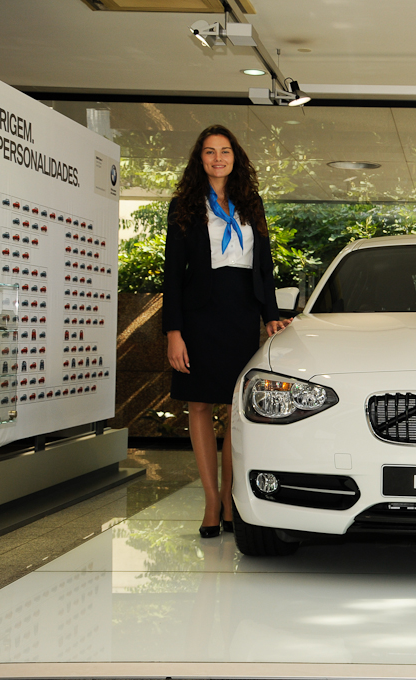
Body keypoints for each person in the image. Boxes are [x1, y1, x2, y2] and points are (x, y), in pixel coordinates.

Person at [163, 125, 289, 538]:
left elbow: (264, 265)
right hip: (199, 313)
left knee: (237, 408)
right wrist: (173, 331)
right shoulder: (184, 205)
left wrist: (270, 315)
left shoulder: (251, 203)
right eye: (210, 152)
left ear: (236, 158)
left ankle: (231, 497)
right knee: (199, 404)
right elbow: (172, 273)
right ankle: (211, 501)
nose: (218, 158)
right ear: (199, 159)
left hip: (240, 312)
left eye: (225, 151)